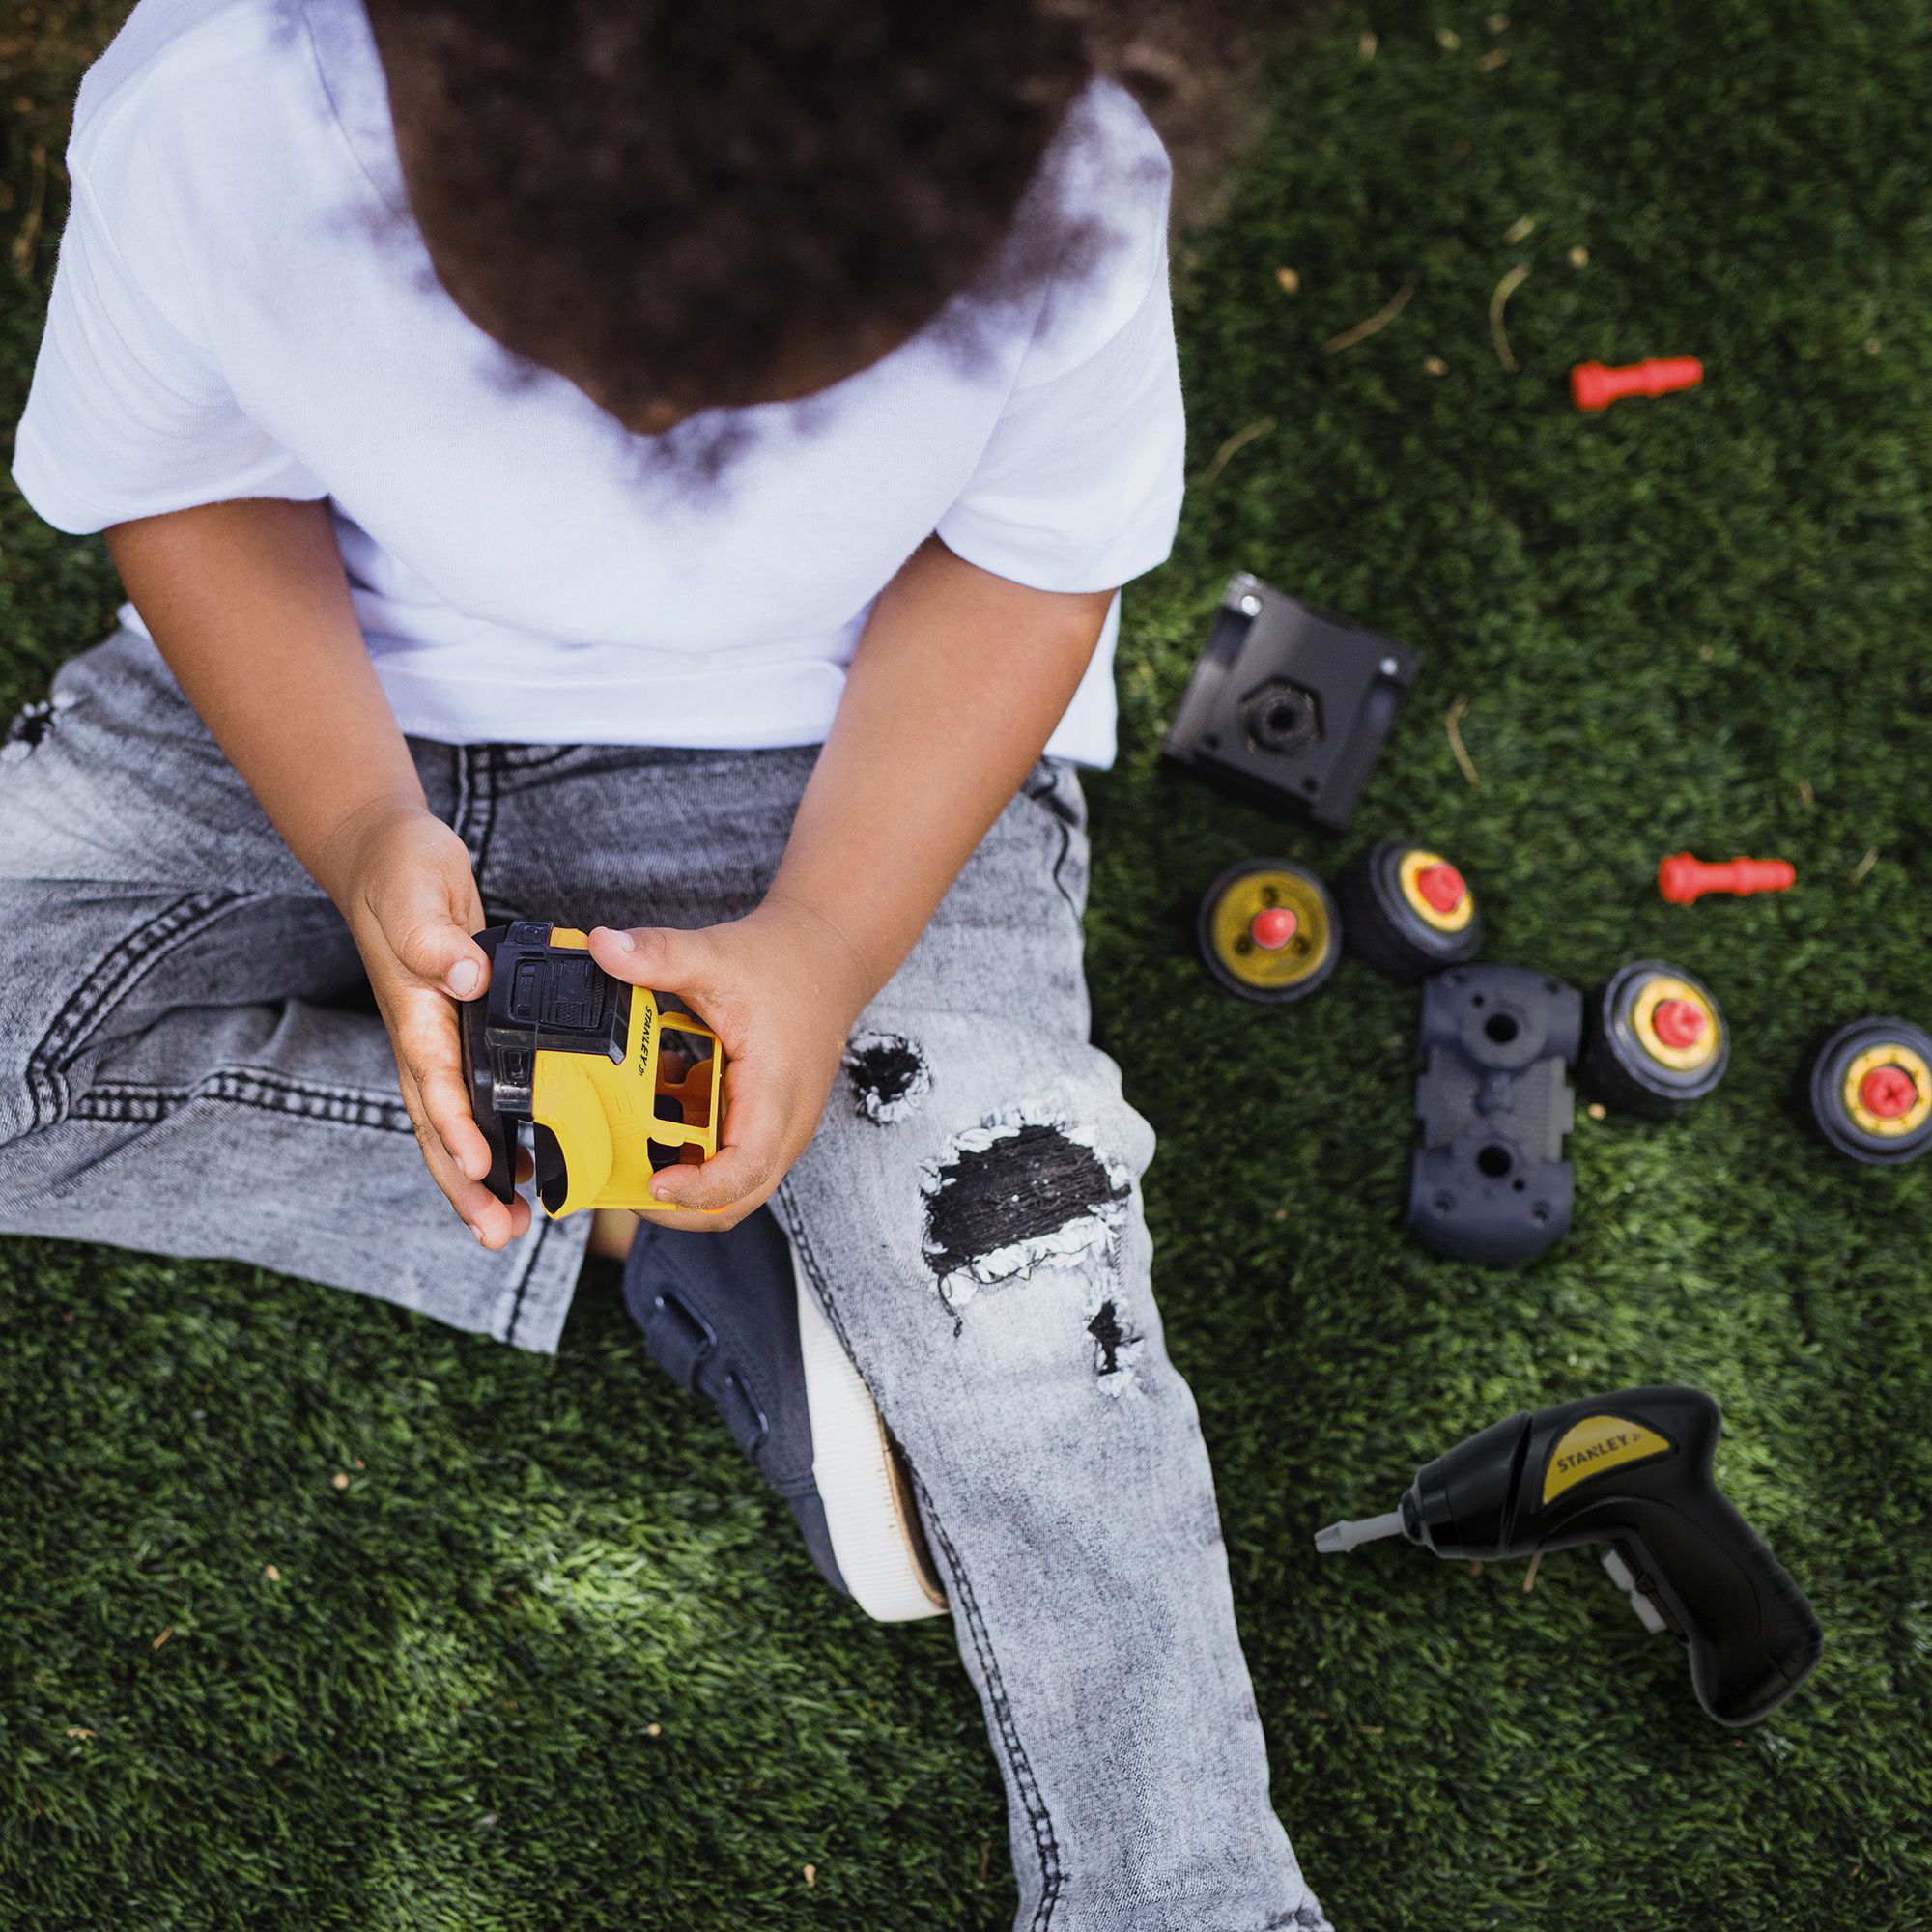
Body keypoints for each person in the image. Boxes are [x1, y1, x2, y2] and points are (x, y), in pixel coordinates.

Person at [0, 0, 1330, 1924]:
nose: (659, 437)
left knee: (1035, 1291)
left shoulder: (1057, 160)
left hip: (835, 769)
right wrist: (362, 825)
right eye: (569, 366)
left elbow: (1028, 567)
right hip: (302, 709)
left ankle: (1193, 1891)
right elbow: (195, 492)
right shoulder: (224, 103)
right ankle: (644, 1200)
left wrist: (821, 941)